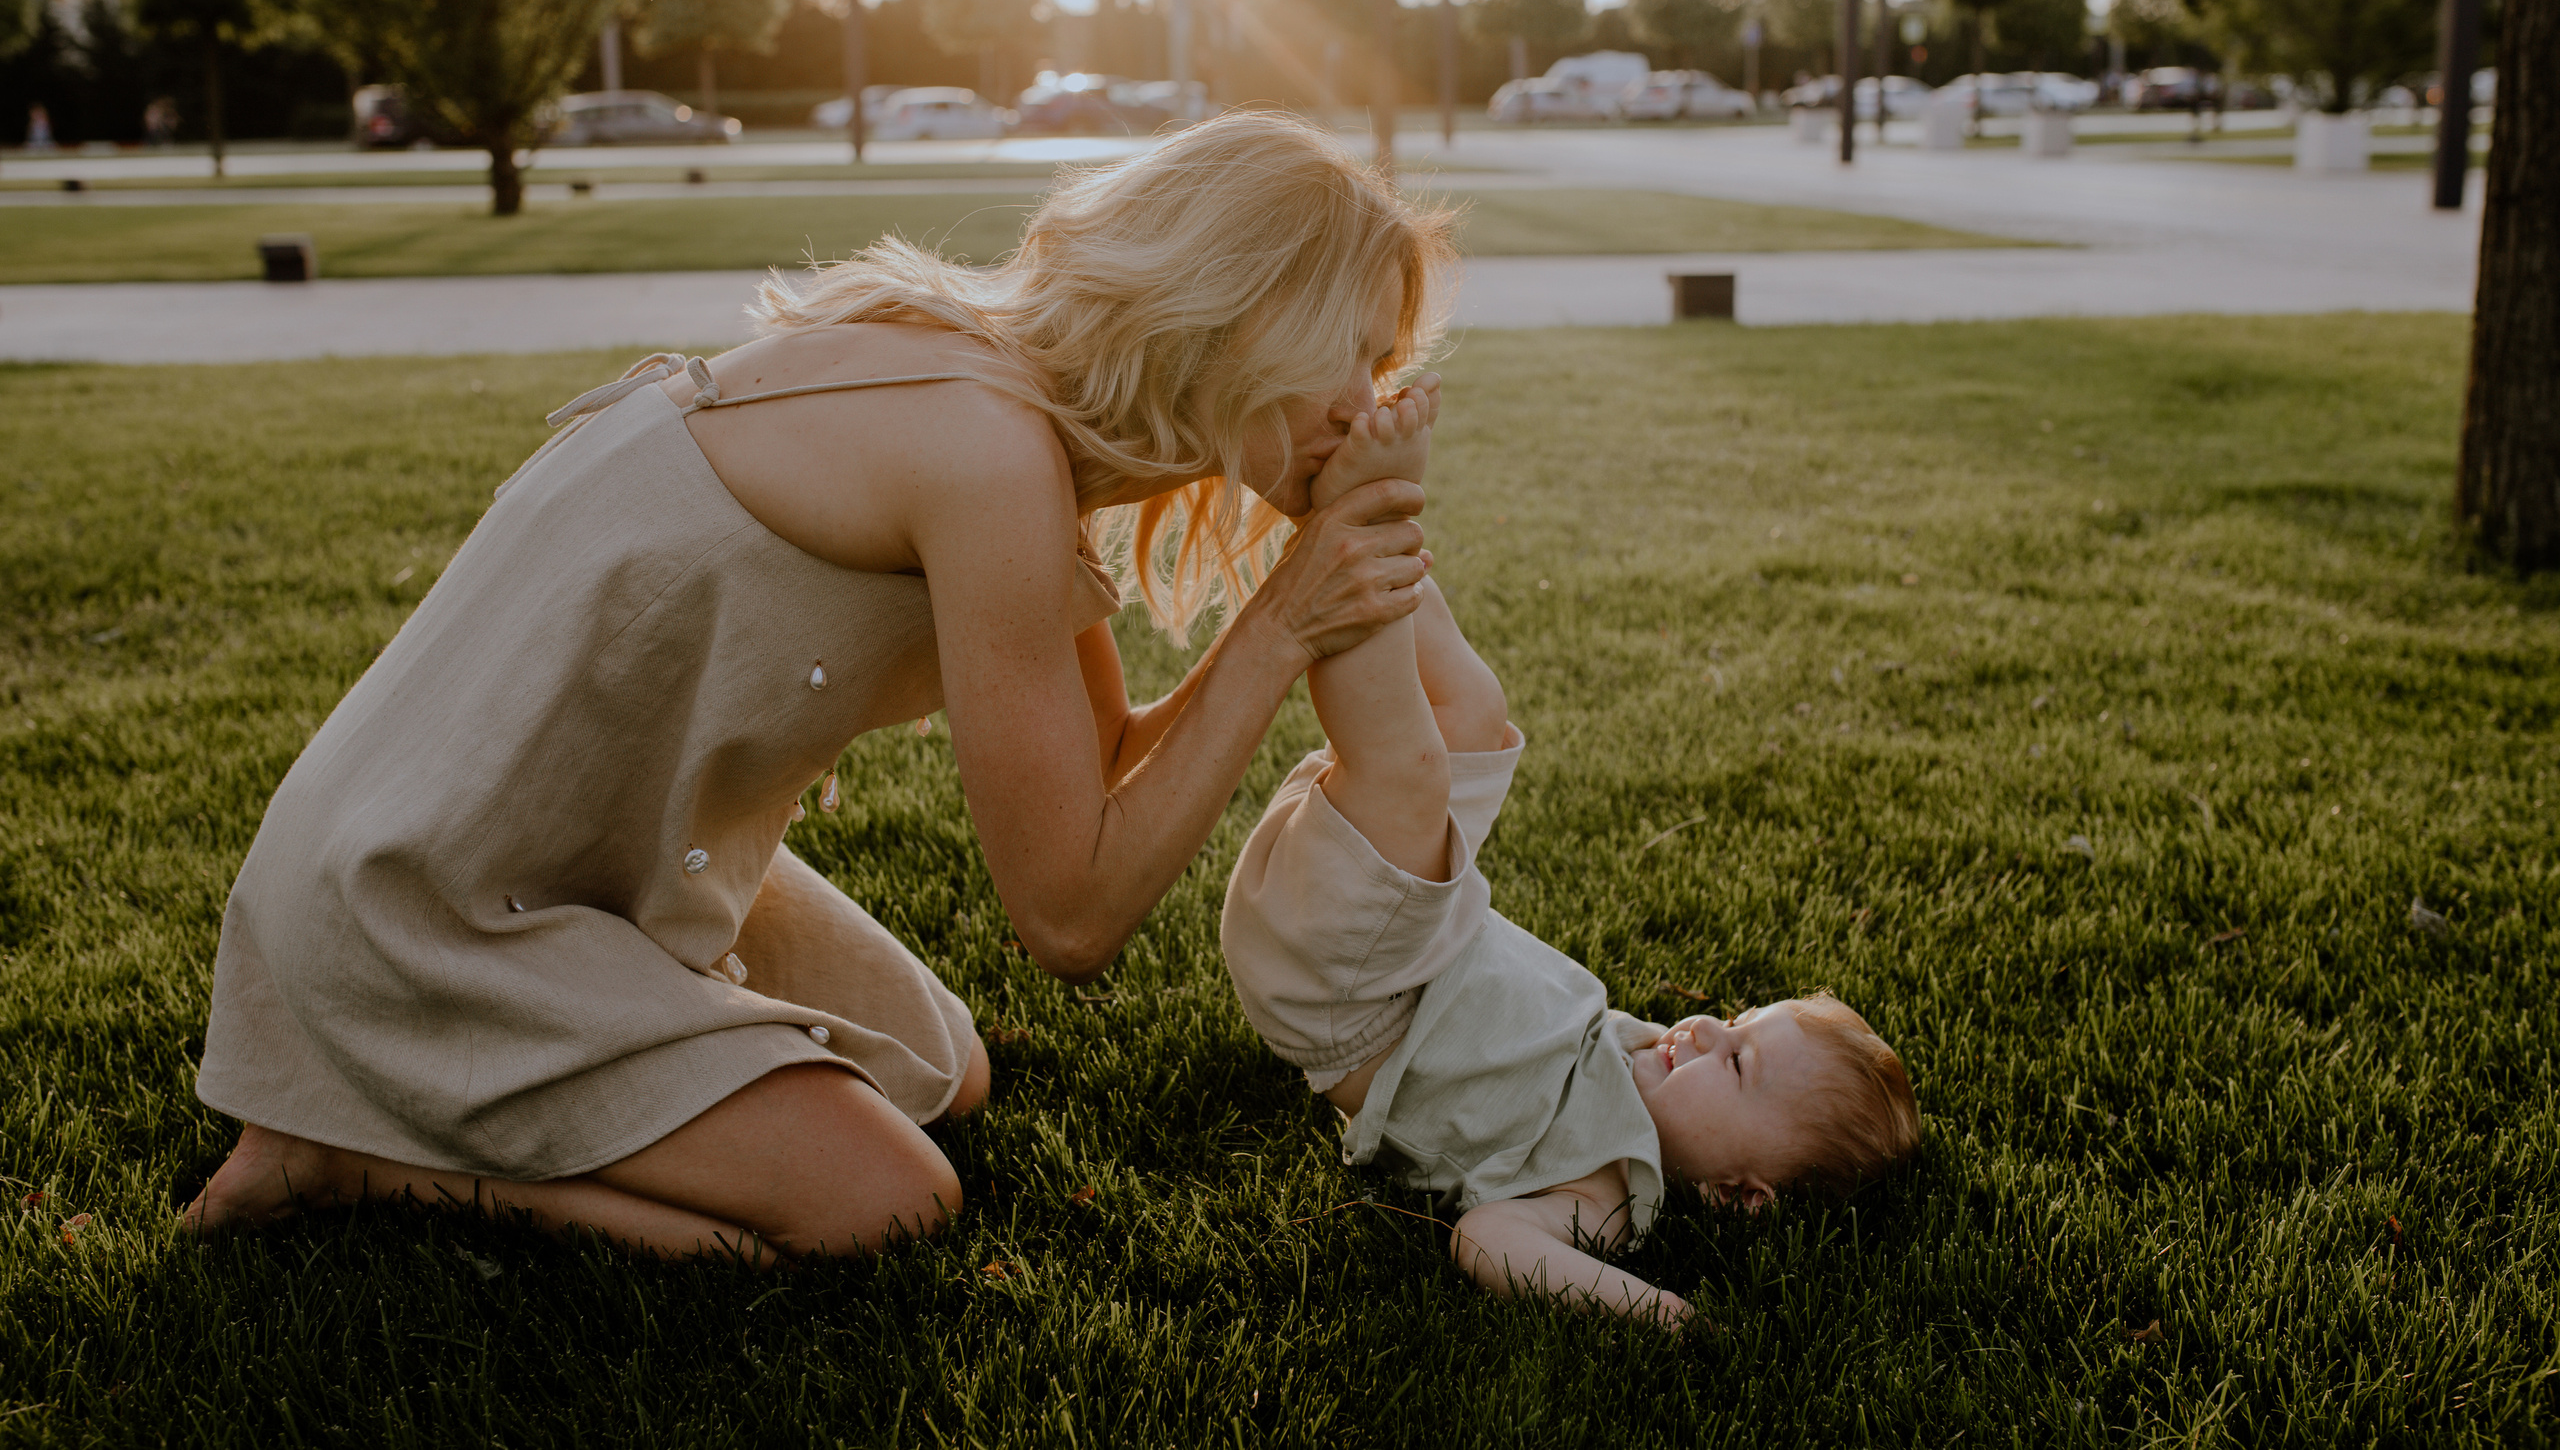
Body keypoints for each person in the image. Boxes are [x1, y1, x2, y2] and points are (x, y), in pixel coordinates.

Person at [186, 109, 1456, 1263]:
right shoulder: (984, 447)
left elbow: (1109, 755)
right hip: (426, 889)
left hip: (599, 854)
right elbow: (1070, 917)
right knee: (886, 1204)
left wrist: (1292, 593)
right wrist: (1284, 625)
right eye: (1348, 351)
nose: (1369, 401)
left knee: (941, 1068)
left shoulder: (1010, 408)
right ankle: (354, 1156)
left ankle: (562, 1064)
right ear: (1240, 312)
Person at [1219, 393, 1919, 1326]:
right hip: (1417, 929)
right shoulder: (1642, 1060)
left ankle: (1357, 523)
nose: (1709, 1027)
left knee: (1412, 765)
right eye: (1741, 1018)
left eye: (1741, 1061)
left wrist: (1661, 1311)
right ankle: (1339, 510)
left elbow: (1487, 1240)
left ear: (1740, 1194)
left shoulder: (1615, 1192)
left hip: (1354, 991)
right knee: (1476, 712)